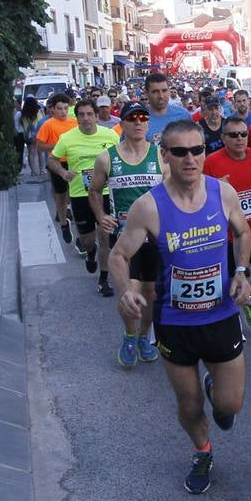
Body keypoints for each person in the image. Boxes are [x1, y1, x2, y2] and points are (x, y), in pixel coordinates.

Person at [108, 120, 251, 495]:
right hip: (174, 323)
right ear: (165, 156)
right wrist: (125, 291)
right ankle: (202, 451)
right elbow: (119, 256)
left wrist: (240, 270)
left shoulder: (223, 194)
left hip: (221, 316)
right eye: (180, 152)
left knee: (230, 405)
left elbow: (243, 231)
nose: (190, 159)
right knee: (189, 405)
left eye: (197, 150)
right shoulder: (148, 207)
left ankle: (214, 387)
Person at [90, 102, 164, 367]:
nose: (138, 122)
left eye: (143, 117)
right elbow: (95, 191)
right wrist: (101, 216)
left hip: (154, 239)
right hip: (125, 240)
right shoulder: (107, 158)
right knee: (130, 293)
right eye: (132, 118)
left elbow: (174, 193)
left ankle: (144, 336)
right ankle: (130, 335)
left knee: (150, 294)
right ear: (123, 123)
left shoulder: (160, 156)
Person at [204, 115, 251, 328]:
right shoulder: (211, 162)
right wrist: (215, 189)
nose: (240, 138)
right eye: (234, 135)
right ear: (223, 138)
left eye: (244, 134)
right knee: (227, 284)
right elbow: (198, 195)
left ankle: (247, 299)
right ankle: (228, 320)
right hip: (224, 237)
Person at [50, 99, 120, 297]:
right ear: (77, 117)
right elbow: (52, 159)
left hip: (106, 193)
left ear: (96, 116)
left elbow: (120, 157)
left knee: (105, 238)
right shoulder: (67, 138)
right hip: (80, 195)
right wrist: (63, 174)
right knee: (88, 240)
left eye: (90, 114)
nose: (86, 118)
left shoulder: (110, 135)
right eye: (81, 115)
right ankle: (90, 252)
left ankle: (103, 279)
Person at [36, 93, 79, 247]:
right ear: (53, 109)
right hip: (57, 164)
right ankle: (63, 224)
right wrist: (57, 147)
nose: (63, 112)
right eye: (59, 109)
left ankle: (80, 229)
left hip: (74, 163)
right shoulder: (48, 125)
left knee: (76, 197)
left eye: (66, 108)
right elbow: (39, 146)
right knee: (61, 197)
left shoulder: (74, 123)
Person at [144, 73, 193, 143]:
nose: (161, 96)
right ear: (146, 93)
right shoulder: (138, 120)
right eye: (155, 92)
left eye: (164, 90)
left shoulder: (184, 115)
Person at [19, 98, 44, 177]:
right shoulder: (37, 112)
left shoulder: (23, 114)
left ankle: (33, 171)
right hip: (38, 134)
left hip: (28, 135)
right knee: (40, 153)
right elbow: (41, 122)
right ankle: (41, 170)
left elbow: (23, 125)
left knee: (31, 153)